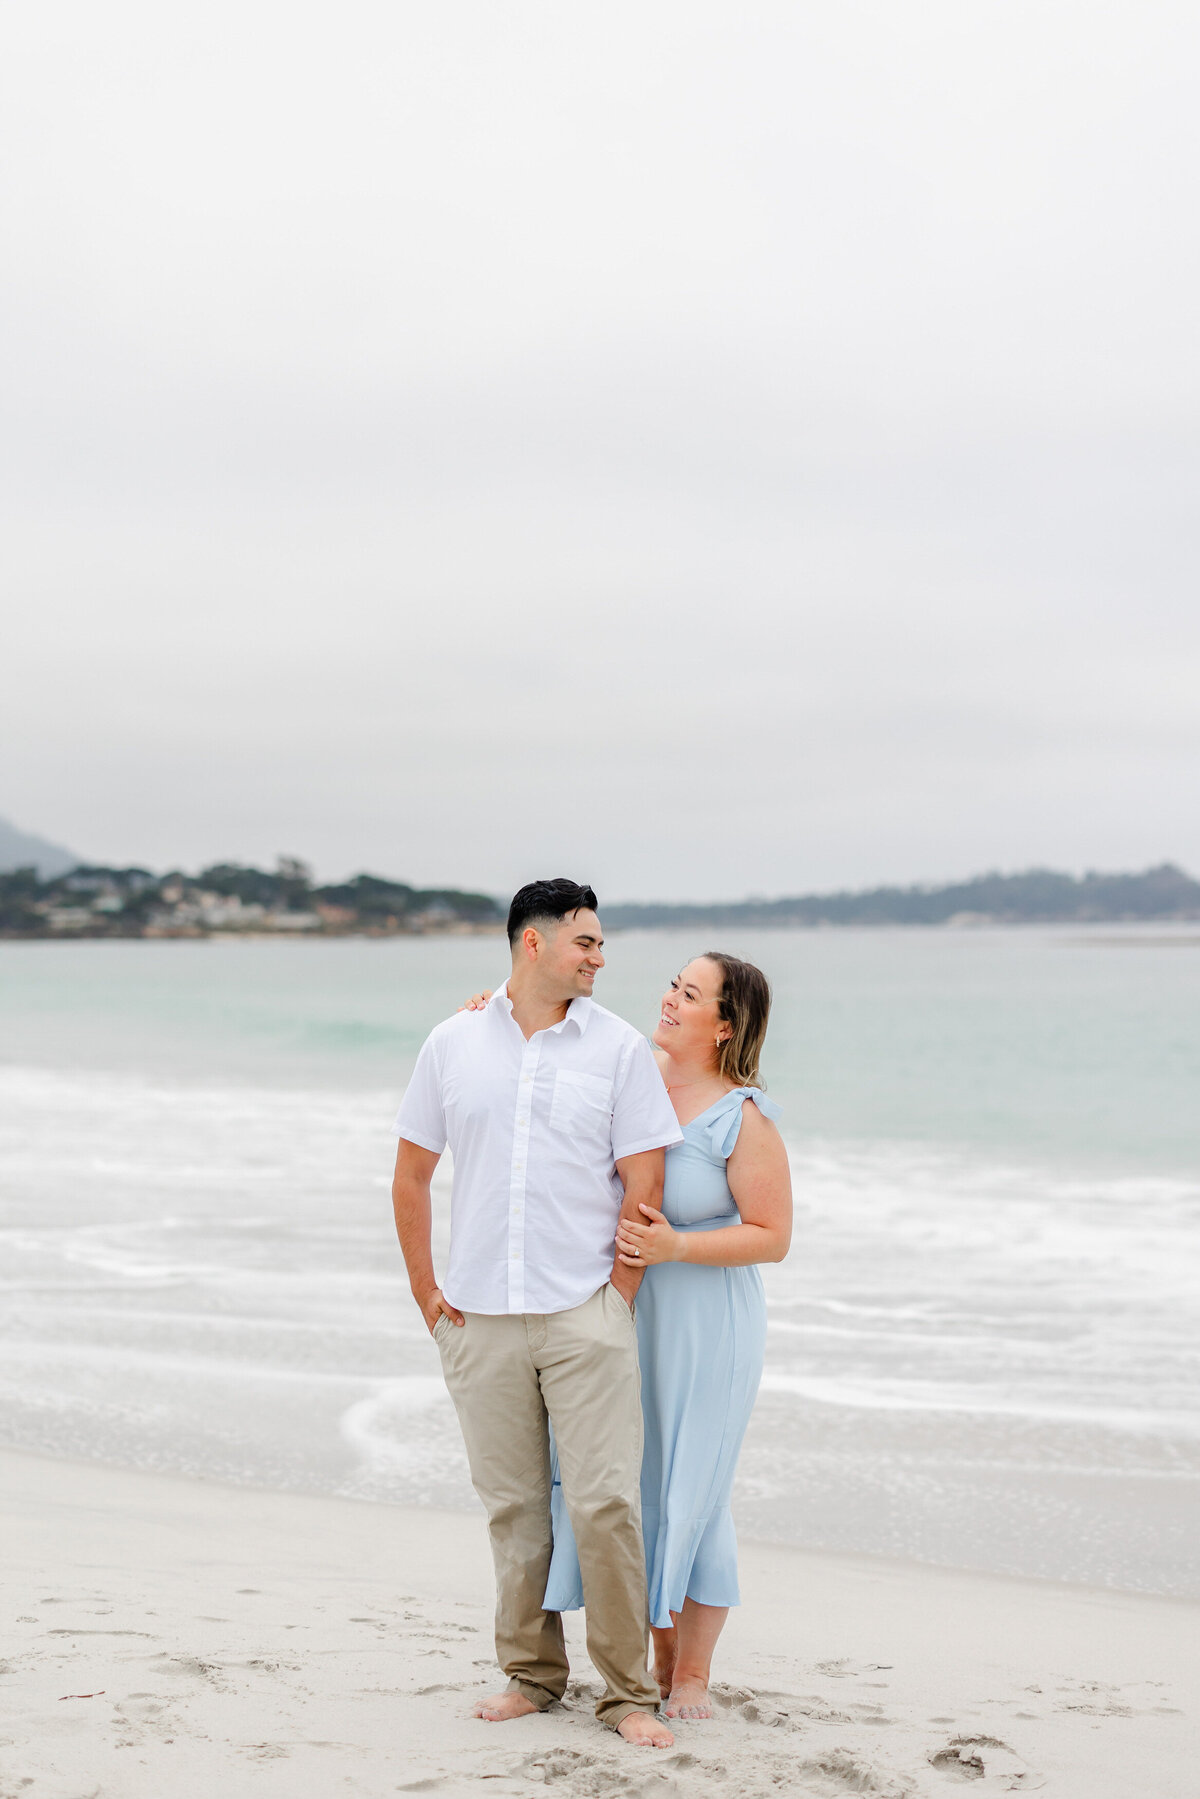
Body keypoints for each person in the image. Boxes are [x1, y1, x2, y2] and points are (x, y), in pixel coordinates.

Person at [390, 879, 684, 1747]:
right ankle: (532, 1674)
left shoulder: (621, 1049)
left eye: (599, 944)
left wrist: (617, 1301)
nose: (599, 956)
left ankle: (627, 1691)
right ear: (533, 944)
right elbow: (411, 1174)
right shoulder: (452, 1043)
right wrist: (427, 1294)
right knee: (513, 1506)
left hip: (582, 1310)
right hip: (478, 1317)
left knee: (604, 1505)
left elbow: (646, 1183)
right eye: (586, 941)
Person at [463, 951, 791, 1720]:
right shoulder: (627, 1067)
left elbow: (772, 1234)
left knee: (693, 1484)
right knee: (630, 1484)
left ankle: (691, 1674)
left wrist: (677, 1245)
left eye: (690, 993)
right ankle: (642, 1659)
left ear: (726, 1024)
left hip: (706, 1322)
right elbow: (549, 1040)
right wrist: (496, 1008)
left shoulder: (740, 1114)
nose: (669, 999)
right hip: (622, 1308)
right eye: (673, 985)